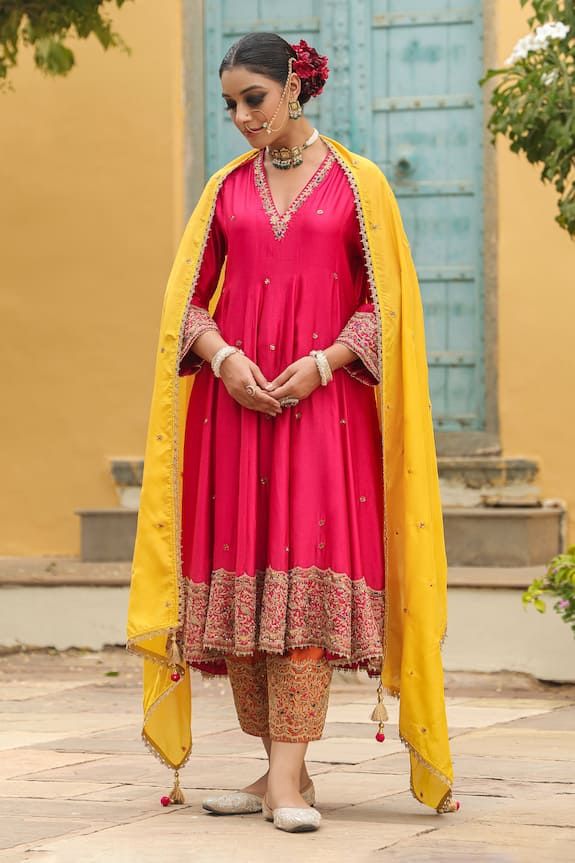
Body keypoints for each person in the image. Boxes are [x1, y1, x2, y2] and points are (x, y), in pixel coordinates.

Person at [126, 32, 460, 834]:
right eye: (230, 104)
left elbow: (389, 308)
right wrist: (224, 356)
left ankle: (282, 782)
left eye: (255, 99)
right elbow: (187, 304)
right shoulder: (223, 192)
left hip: (323, 415)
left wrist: (323, 362)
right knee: (248, 587)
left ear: (295, 89)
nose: (241, 117)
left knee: (302, 583)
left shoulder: (359, 184)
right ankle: (285, 770)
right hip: (236, 415)